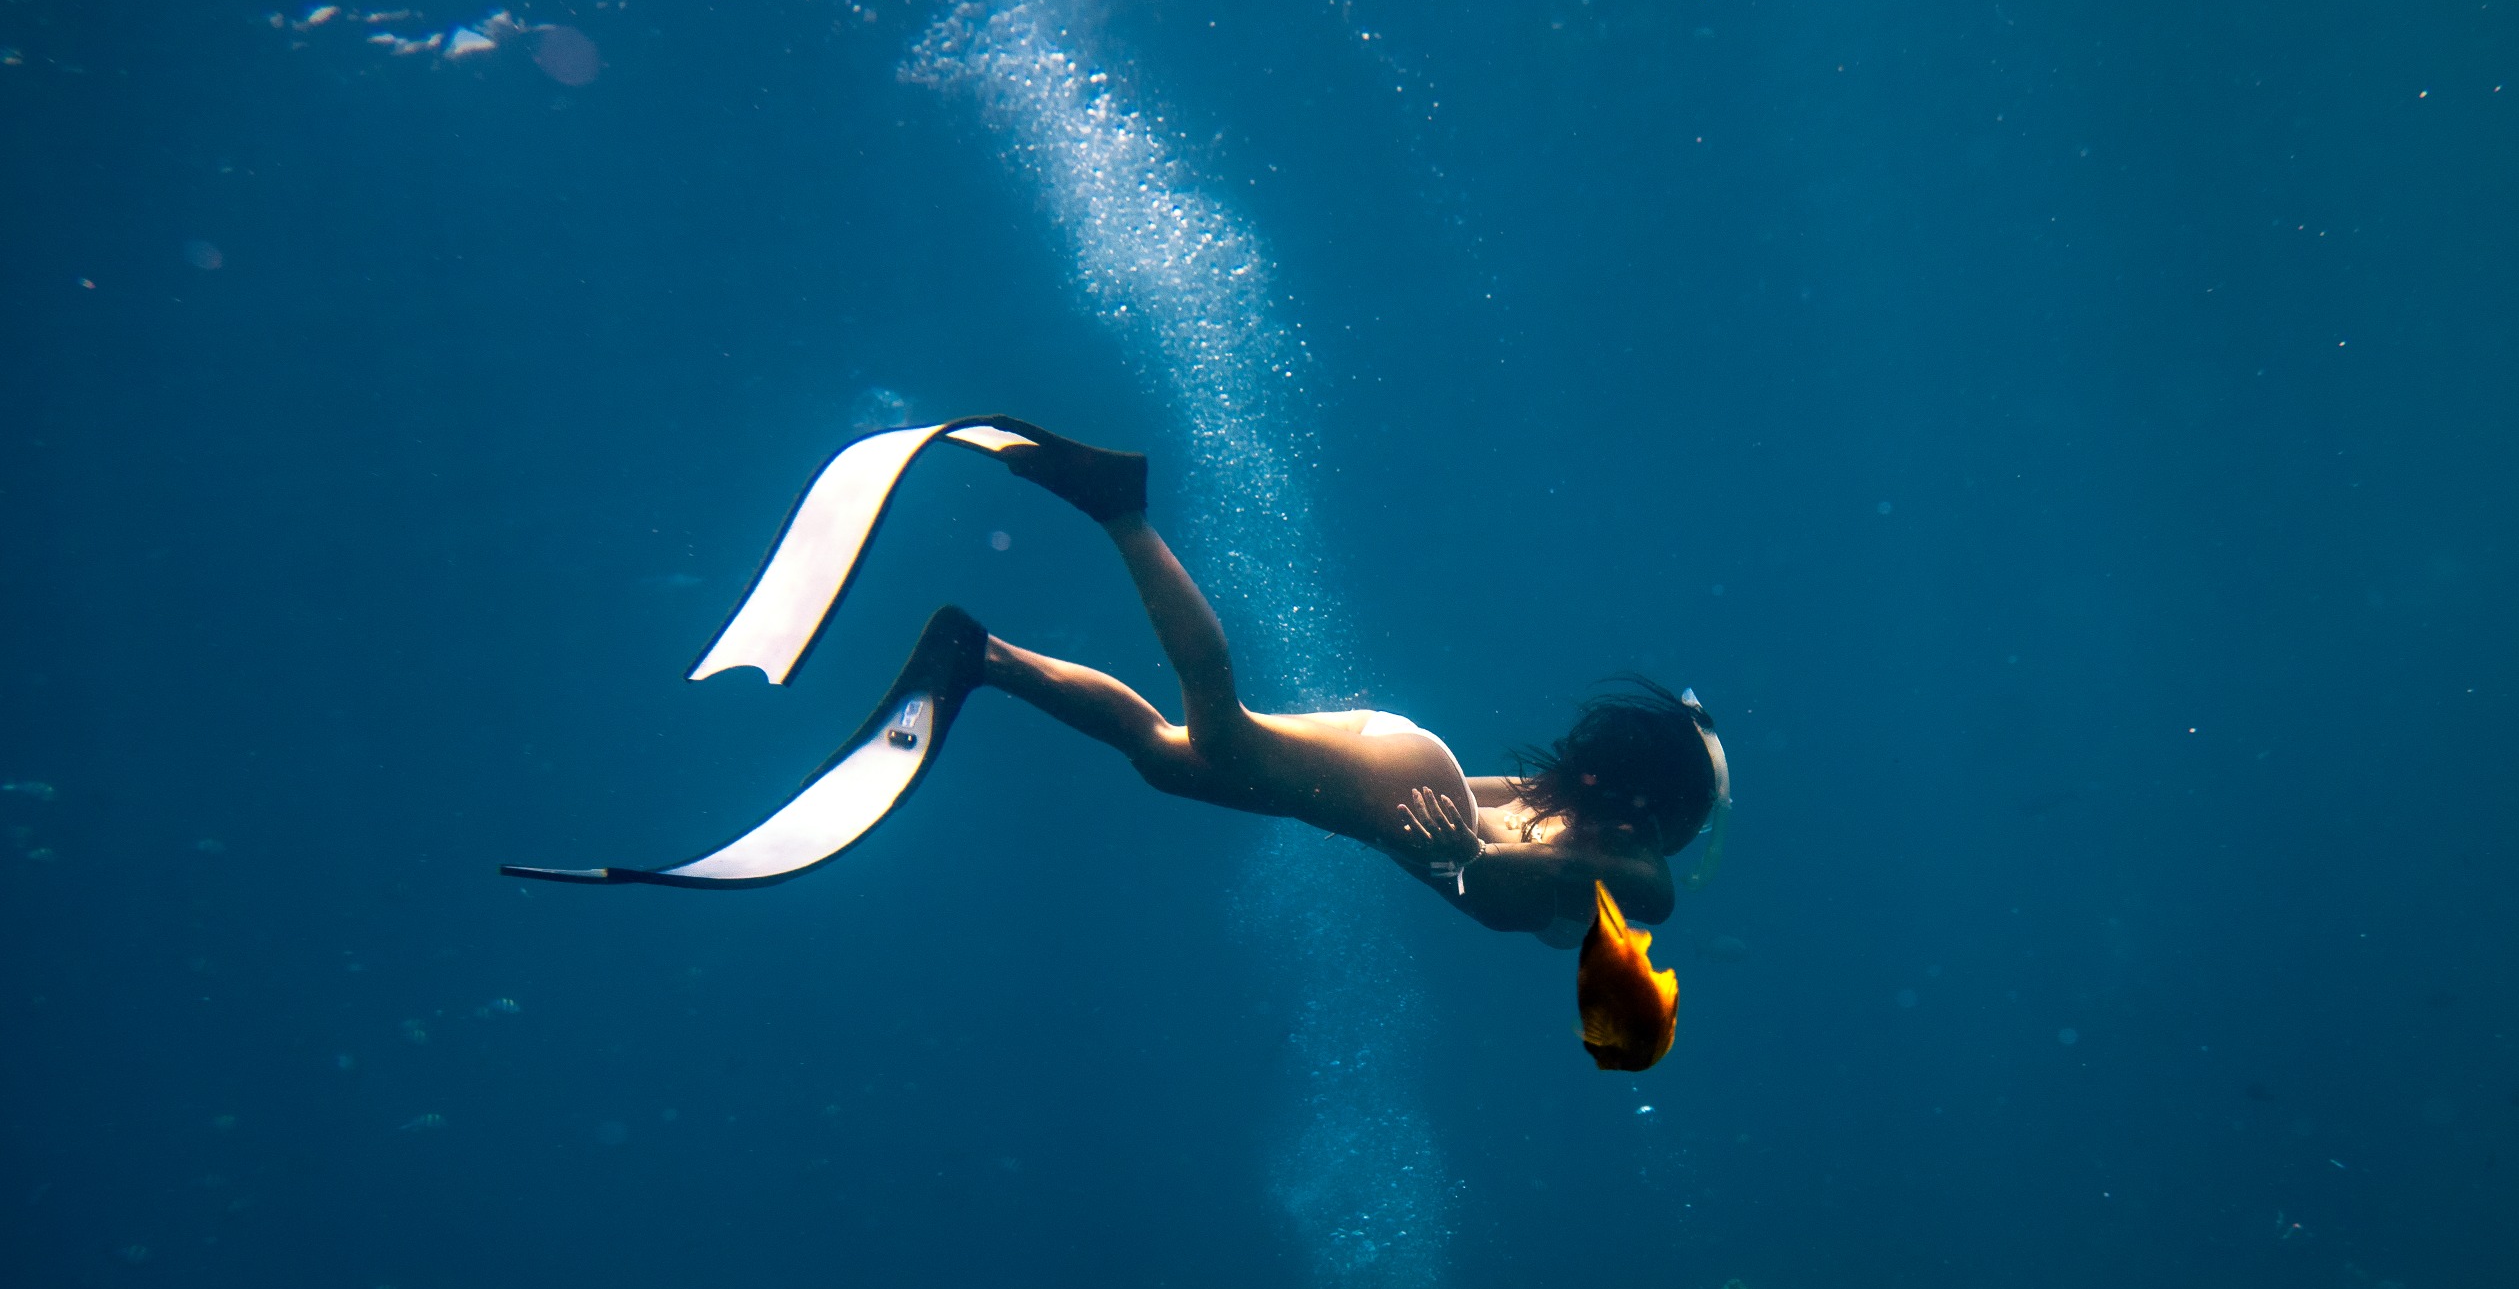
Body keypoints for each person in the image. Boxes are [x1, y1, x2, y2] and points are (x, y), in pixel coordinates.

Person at [505, 419, 1729, 947]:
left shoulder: (1595, 820)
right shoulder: (1645, 878)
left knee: (1170, 760)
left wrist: (1455, 823)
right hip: (1401, 786)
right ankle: (1119, 507)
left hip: (1404, 766)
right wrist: (1464, 855)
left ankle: (978, 656)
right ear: (1662, 808)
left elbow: (1498, 811)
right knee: (1224, 728)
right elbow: (1504, 871)